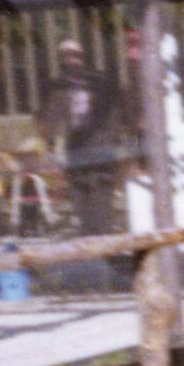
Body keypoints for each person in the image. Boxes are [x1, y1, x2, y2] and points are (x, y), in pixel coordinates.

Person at [35, 37, 135, 242]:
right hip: (75, 150)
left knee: (101, 200)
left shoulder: (100, 82)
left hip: (101, 147)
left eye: (76, 55)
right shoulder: (59, 88)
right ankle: (89, 247)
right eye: (66, 56)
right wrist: (50, 145)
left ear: (84, 57)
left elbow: (116, 113)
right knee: (80, 199)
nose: (72, 60)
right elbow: (51, 117)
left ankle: (104, 246)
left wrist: (114, 140)